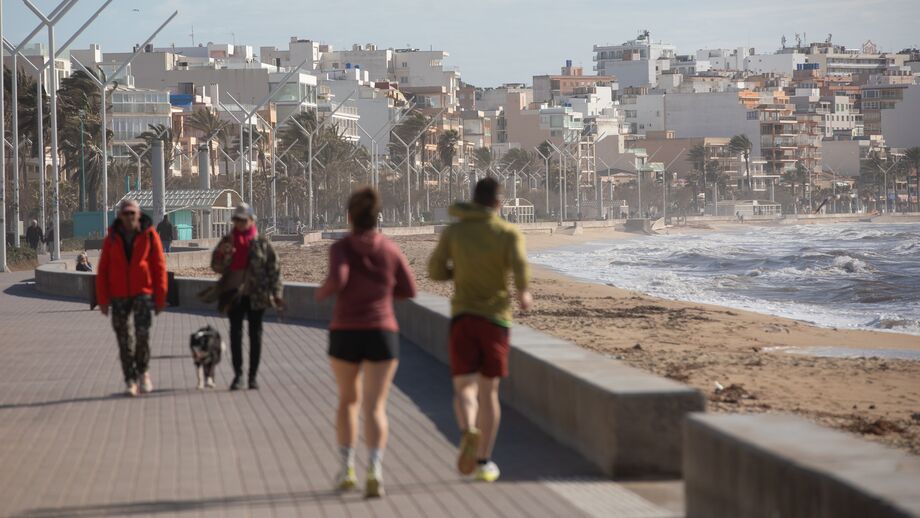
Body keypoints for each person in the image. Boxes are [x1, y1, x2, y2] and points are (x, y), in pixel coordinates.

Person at [428, 177, 532, 483]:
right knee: (490, 392)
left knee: (464, 388)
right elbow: (521, 266)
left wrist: (455, 271)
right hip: (496, 319)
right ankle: (485, 461)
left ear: (473, 201)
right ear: (498, 203)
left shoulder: (455, 231)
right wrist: (524, 292)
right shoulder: (507, 232)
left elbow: (434, 270)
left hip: (463, 317)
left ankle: (467, 430)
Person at [316, 187, 416, 498]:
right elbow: (409, 288)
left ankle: (347, 469)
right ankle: (374, 469)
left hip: (346, 330)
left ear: (349, 216)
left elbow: (339, 280)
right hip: (382, 332)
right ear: (377, 217)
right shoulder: (389, 248)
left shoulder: (341, 248)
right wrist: (386, 296)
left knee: (348, 401)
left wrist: (322, 292)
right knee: (376, 407)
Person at [96, 199, 168, 397]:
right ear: (120, 215)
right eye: (125, 213)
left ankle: (143, 372)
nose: (129, 217)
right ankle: (130, 379)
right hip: (119, 294)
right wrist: (103, 300)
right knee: (124, 338)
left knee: (142, 334)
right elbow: (103, 269)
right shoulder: (112, 237)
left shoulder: (149, 234)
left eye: (132, 213)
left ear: (138, 214)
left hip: (142, 292)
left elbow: (159, 266)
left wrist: (160, 297)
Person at [206, 203, 282, 391]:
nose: (239, 223)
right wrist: (222, 255)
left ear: (251, 220)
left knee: (255, 335)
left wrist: (277, 293)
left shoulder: (262, 243)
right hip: (234, 294)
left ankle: (252, 376)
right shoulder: (228, 241)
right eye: (236, 220)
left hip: (257, 295)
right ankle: (238, 375)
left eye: (243, 220)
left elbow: (274, 269)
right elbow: (216, 267)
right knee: (235, 334)